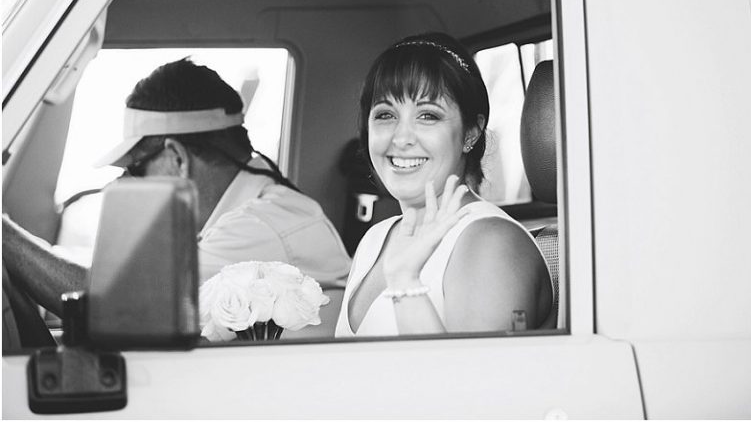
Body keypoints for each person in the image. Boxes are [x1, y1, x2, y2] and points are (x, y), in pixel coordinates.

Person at [3, 58, 351, 318]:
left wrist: (6, 238)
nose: (128, 184)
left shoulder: (258, 228)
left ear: (177, 157)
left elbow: (115, 306)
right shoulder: (238, 216)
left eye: (137, 168)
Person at [335, 33, 554, 337]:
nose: (401, 138)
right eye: (385, 115)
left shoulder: (491, 244)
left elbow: (470, 370)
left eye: (428, 116)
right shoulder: (375, 238)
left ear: (470, 133)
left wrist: (406, 284)